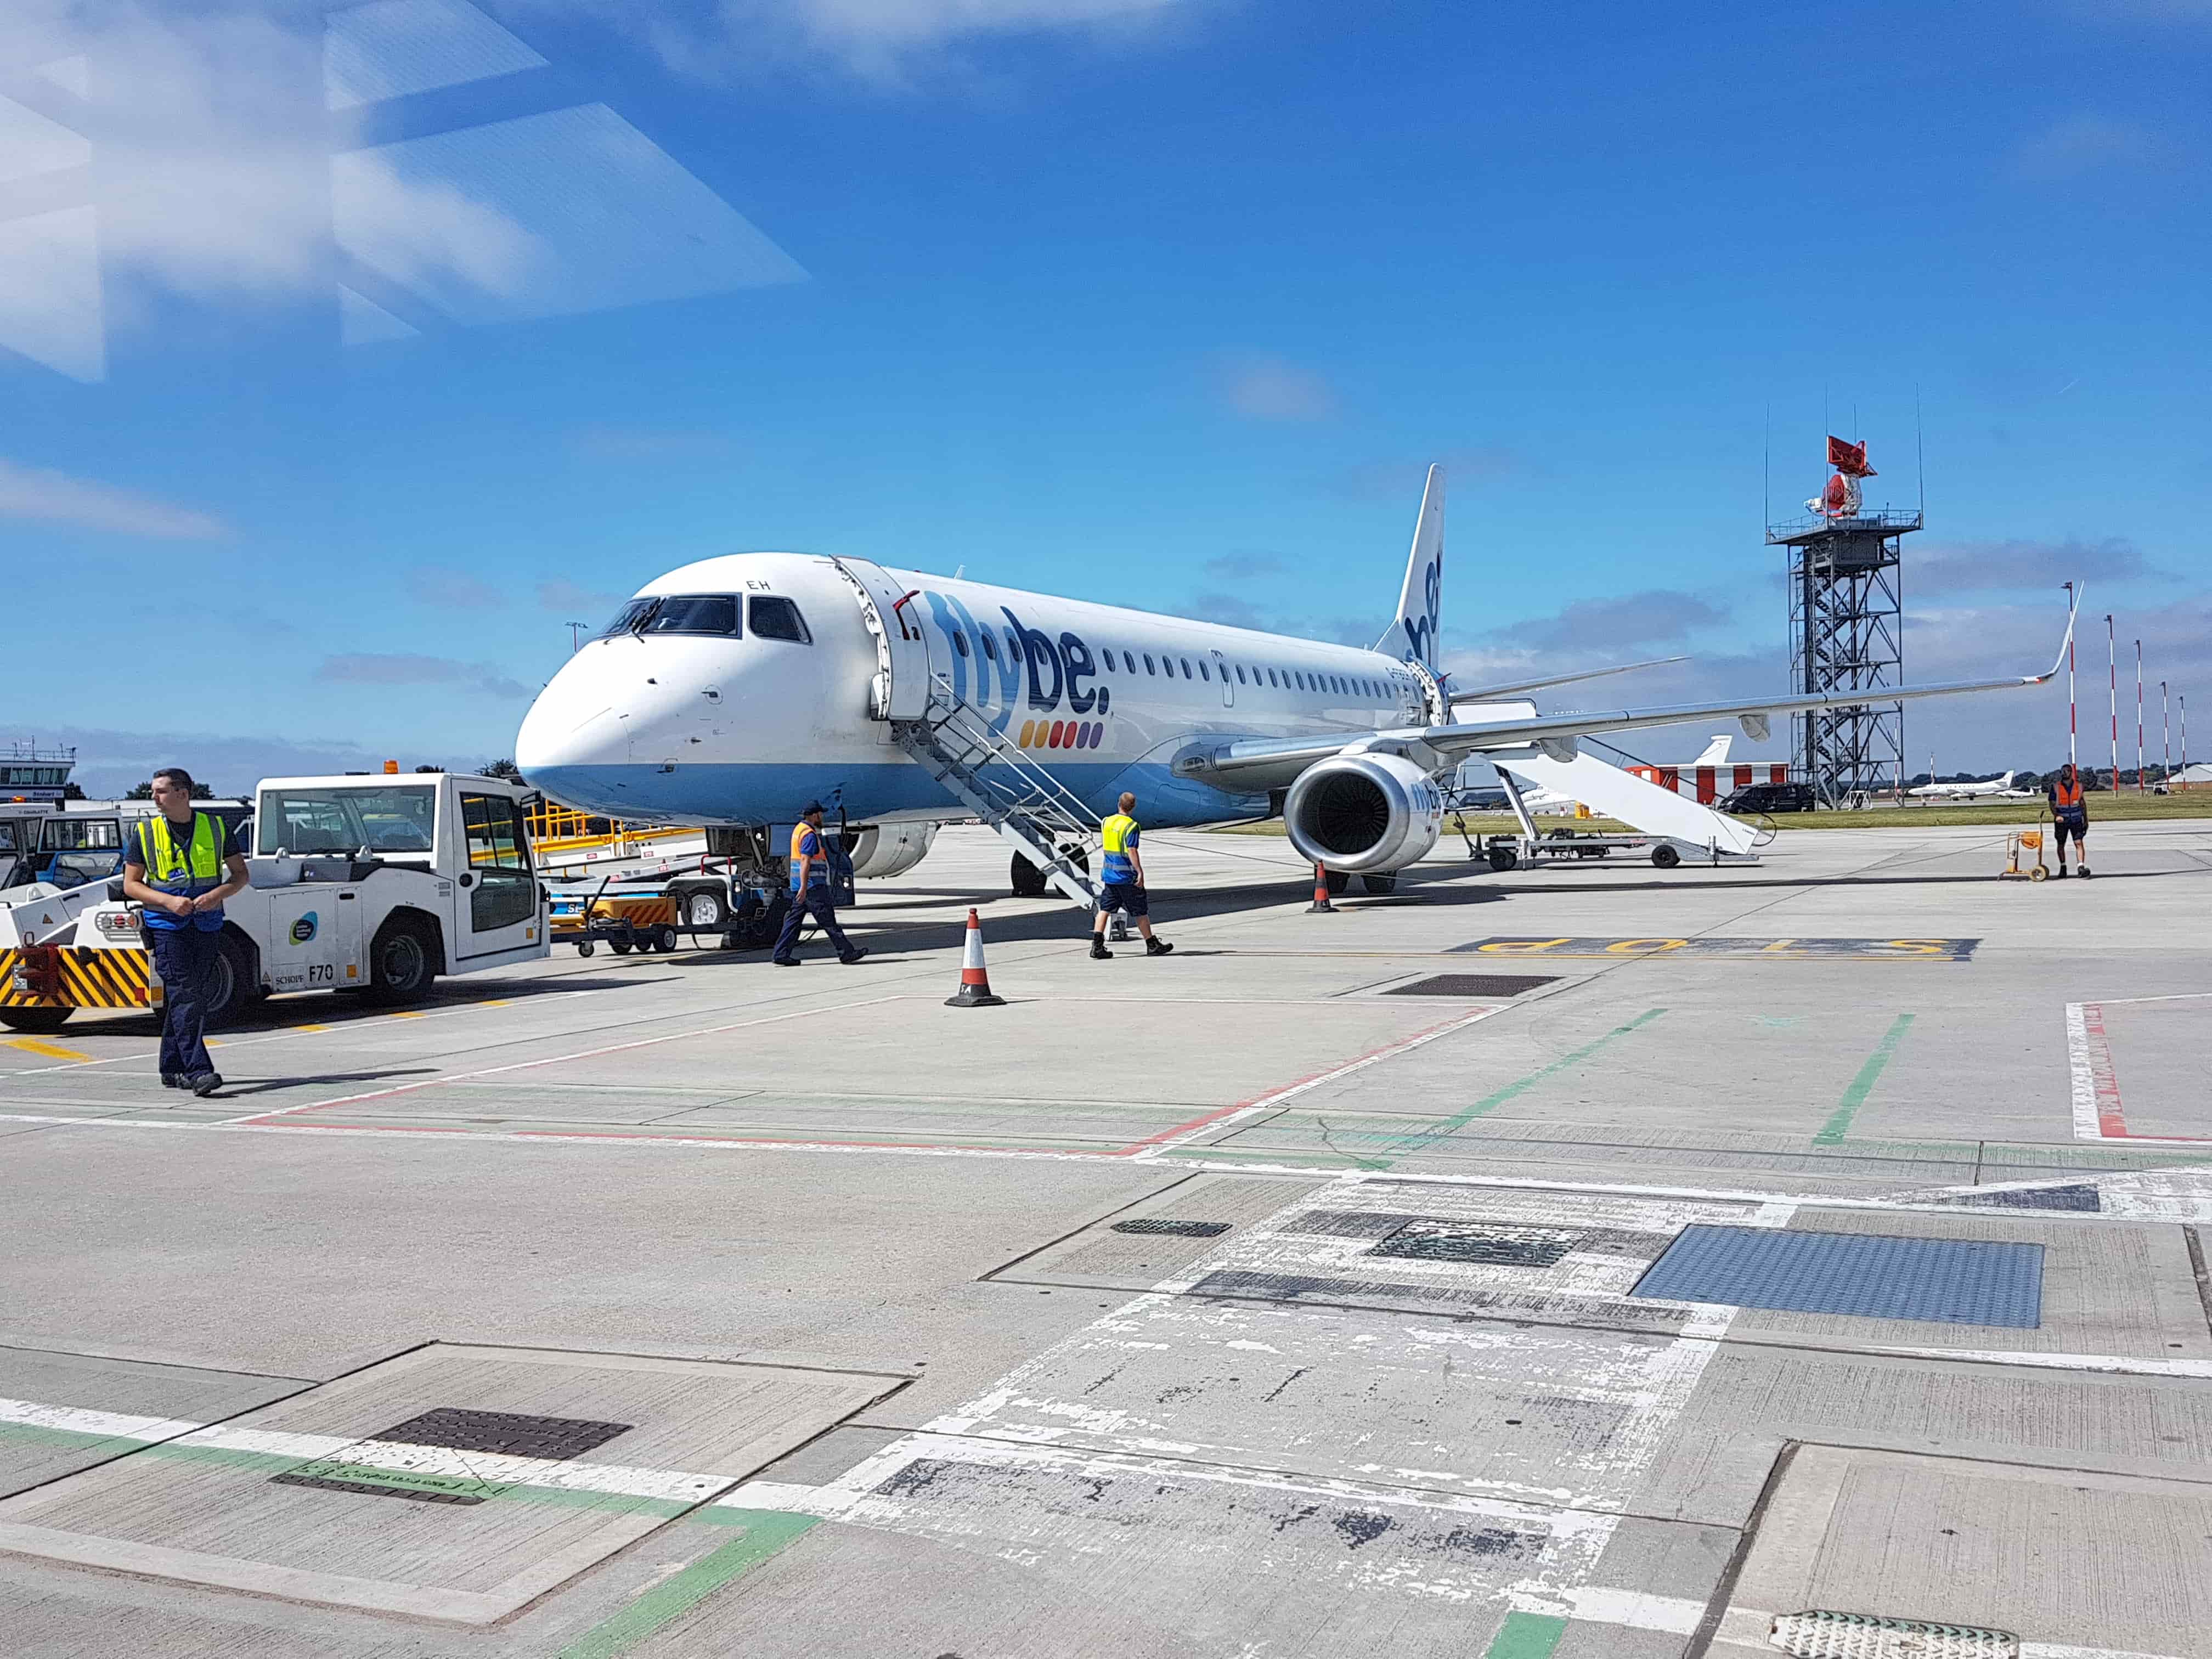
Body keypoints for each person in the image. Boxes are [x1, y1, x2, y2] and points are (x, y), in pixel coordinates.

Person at [120, 767, 249, 1094]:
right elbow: (131, 885)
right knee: (186, 993)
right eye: (153, 792)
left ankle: (171, 1067)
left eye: (160, 791)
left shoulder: (216, 828)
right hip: (166, 926)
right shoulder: (145, 833)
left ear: (183, 793)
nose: (154, 798)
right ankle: (199, 1070)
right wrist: (168, 901)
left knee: (188, 997)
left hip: (206, 924)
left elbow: (240, 876)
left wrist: (215, 896)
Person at [772, 802, 867, 966]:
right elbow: (805, 861)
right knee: (829, 921)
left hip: (801, 887)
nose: (822, 817)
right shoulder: (809, 834)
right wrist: (804, 886)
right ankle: (846, 953)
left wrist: (800, 887)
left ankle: (781, 953)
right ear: (815, 815)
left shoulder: (798, 830)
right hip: (812, 887)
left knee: (793, 922)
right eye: (820, 815)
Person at [1090, 792, 1172, 960]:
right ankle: (1151, 944)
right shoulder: (1131, 826)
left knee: (1105, 909)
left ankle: (1097, 946)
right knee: (1140, 911)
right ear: (1133, 807)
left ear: (1118, 804)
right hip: (1126, 876)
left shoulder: (1107, 822)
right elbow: (1132, 850)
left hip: (1110, 875)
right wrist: (1140, 872)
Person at [2046, 762, 2090, 878]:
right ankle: (2063, 866)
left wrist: (2086, 819)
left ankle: (2081, 867)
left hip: (2076, 819)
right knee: (2061, 844)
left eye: (2067, 771)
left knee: (2079, 842)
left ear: (2071, 772)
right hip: (2062, 820)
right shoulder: (2056, 787)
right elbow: (2051, 803)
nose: (2064, 773)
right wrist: (2056, 815)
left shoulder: (2079, 786)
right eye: (2063, 771)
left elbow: (2082, 803)